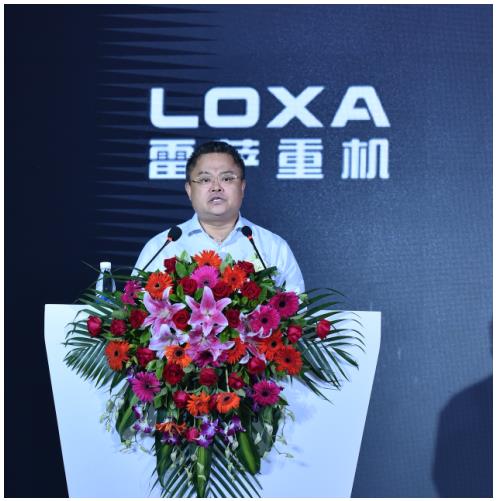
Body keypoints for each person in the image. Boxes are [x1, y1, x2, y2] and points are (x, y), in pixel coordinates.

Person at [134, 141, 305, 293]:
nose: (216, 187)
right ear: (189, 190)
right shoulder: (161, 247)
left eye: (227, 178)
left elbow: (296, 311)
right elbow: (136, 306)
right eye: (205, 180)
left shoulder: (272, 247)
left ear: (242, 187)